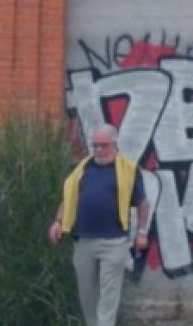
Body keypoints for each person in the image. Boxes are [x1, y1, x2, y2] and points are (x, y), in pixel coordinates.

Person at [48, 123, 151, 326]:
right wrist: (58, 221)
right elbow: (68, 199)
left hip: (113, 242)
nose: (99, 150)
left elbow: (142, 203)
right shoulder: (82, 169)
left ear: (114, 144)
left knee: (108, 296)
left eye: (103, 145)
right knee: (87, 295)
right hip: (83, 242)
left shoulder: (128, 170)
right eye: (95, 145)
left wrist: (142, 232)